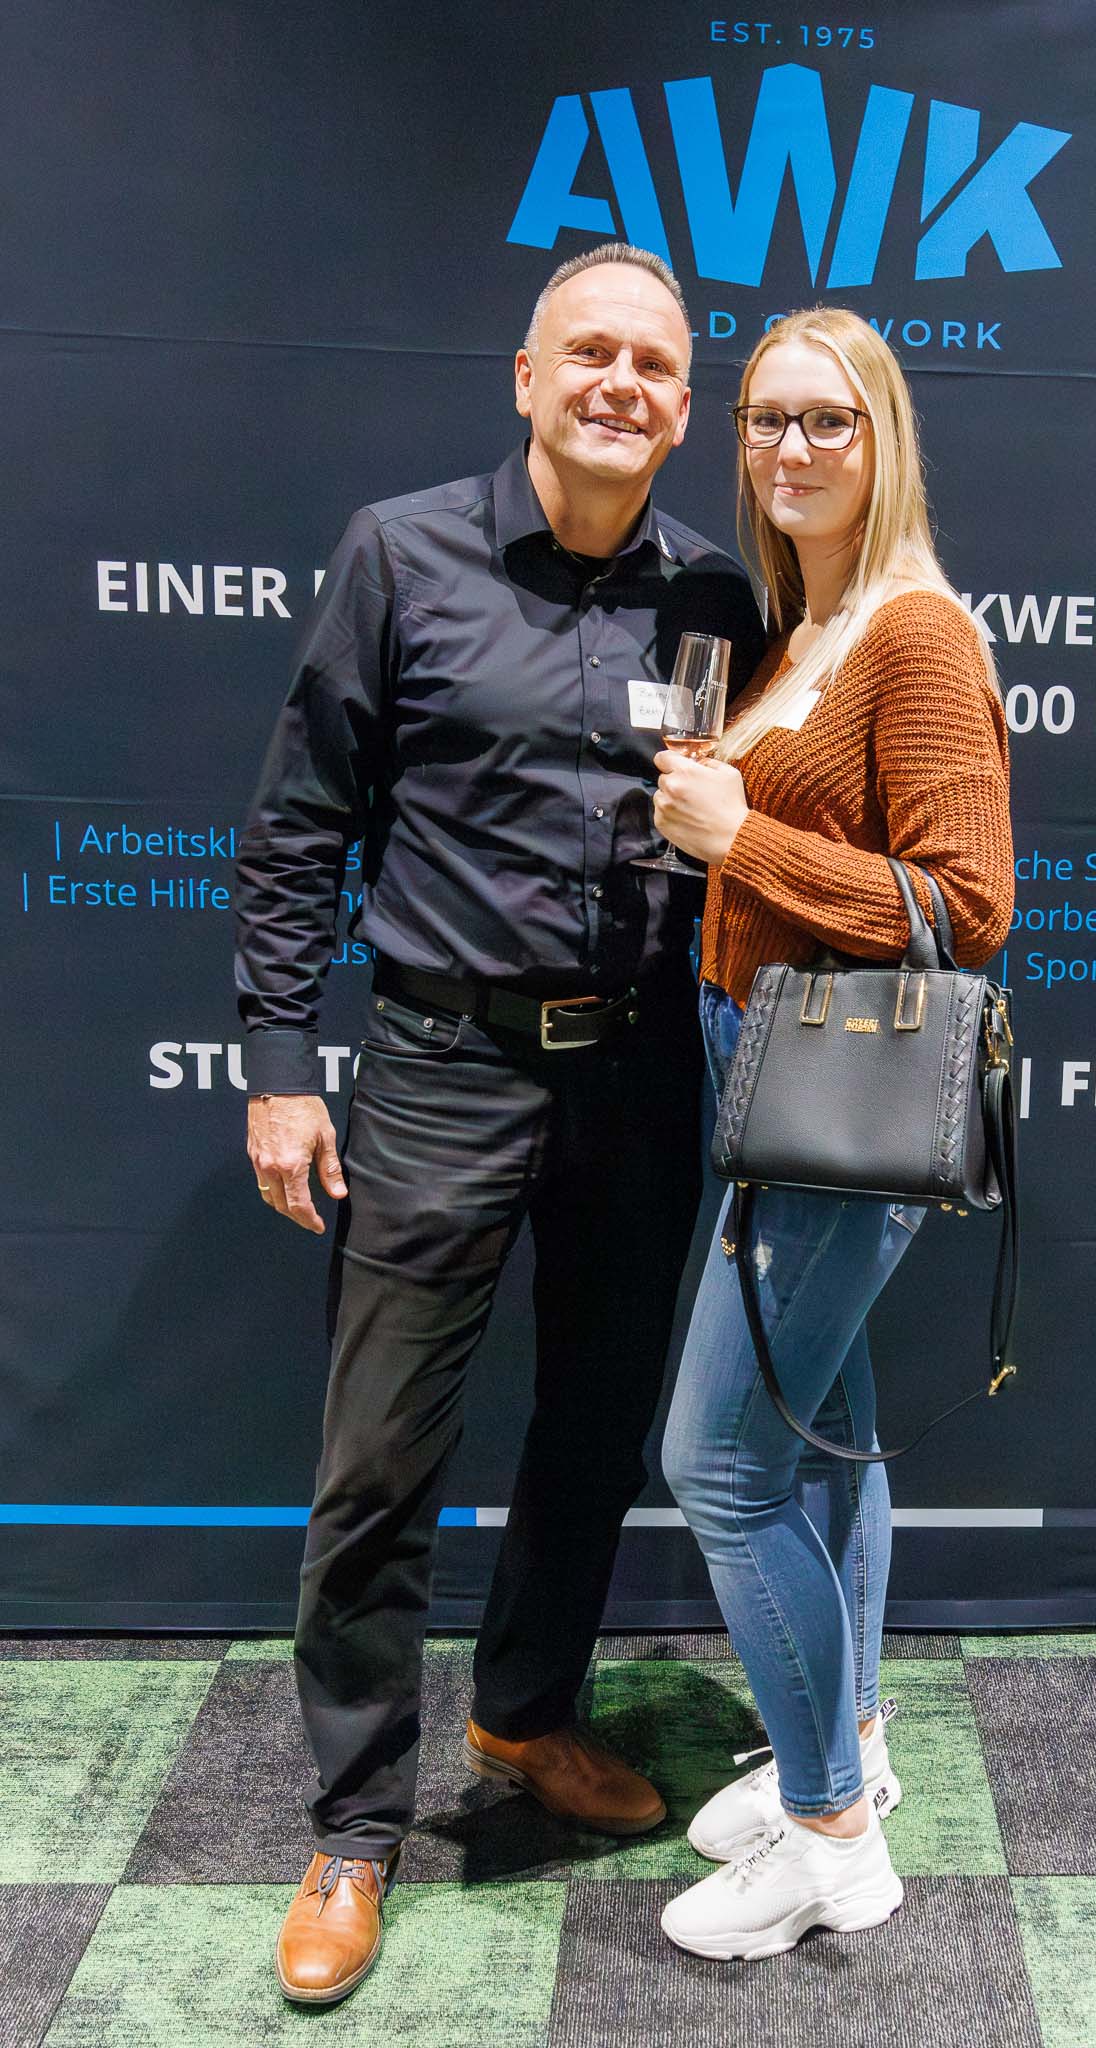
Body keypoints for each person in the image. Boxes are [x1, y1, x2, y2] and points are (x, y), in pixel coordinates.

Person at [233, 242, 766, 2006]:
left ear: (682, 411)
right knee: (381, 1453)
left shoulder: (715, 592)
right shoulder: (403, 553)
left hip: (641, 1074)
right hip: (442, 1066)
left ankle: (526, 1714)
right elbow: (300, 827)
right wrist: (281, 1064)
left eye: (655, 366)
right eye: (588, 352)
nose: (622, 384)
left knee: (595, 1429)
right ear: (527, 378)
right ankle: (354, 1825)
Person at [651, 307, 1014, 1961]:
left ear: (883, 440)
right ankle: (850, 1743)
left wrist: (742, 840)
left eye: (827, 421)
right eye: (766, 419)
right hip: (768, 1085)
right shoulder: (802, 626)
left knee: (721, 1467)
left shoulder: (911, 635)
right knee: (822, 1441)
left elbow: (963, 907)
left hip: (840, 1103)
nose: (789, 449)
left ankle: (828, 1845)